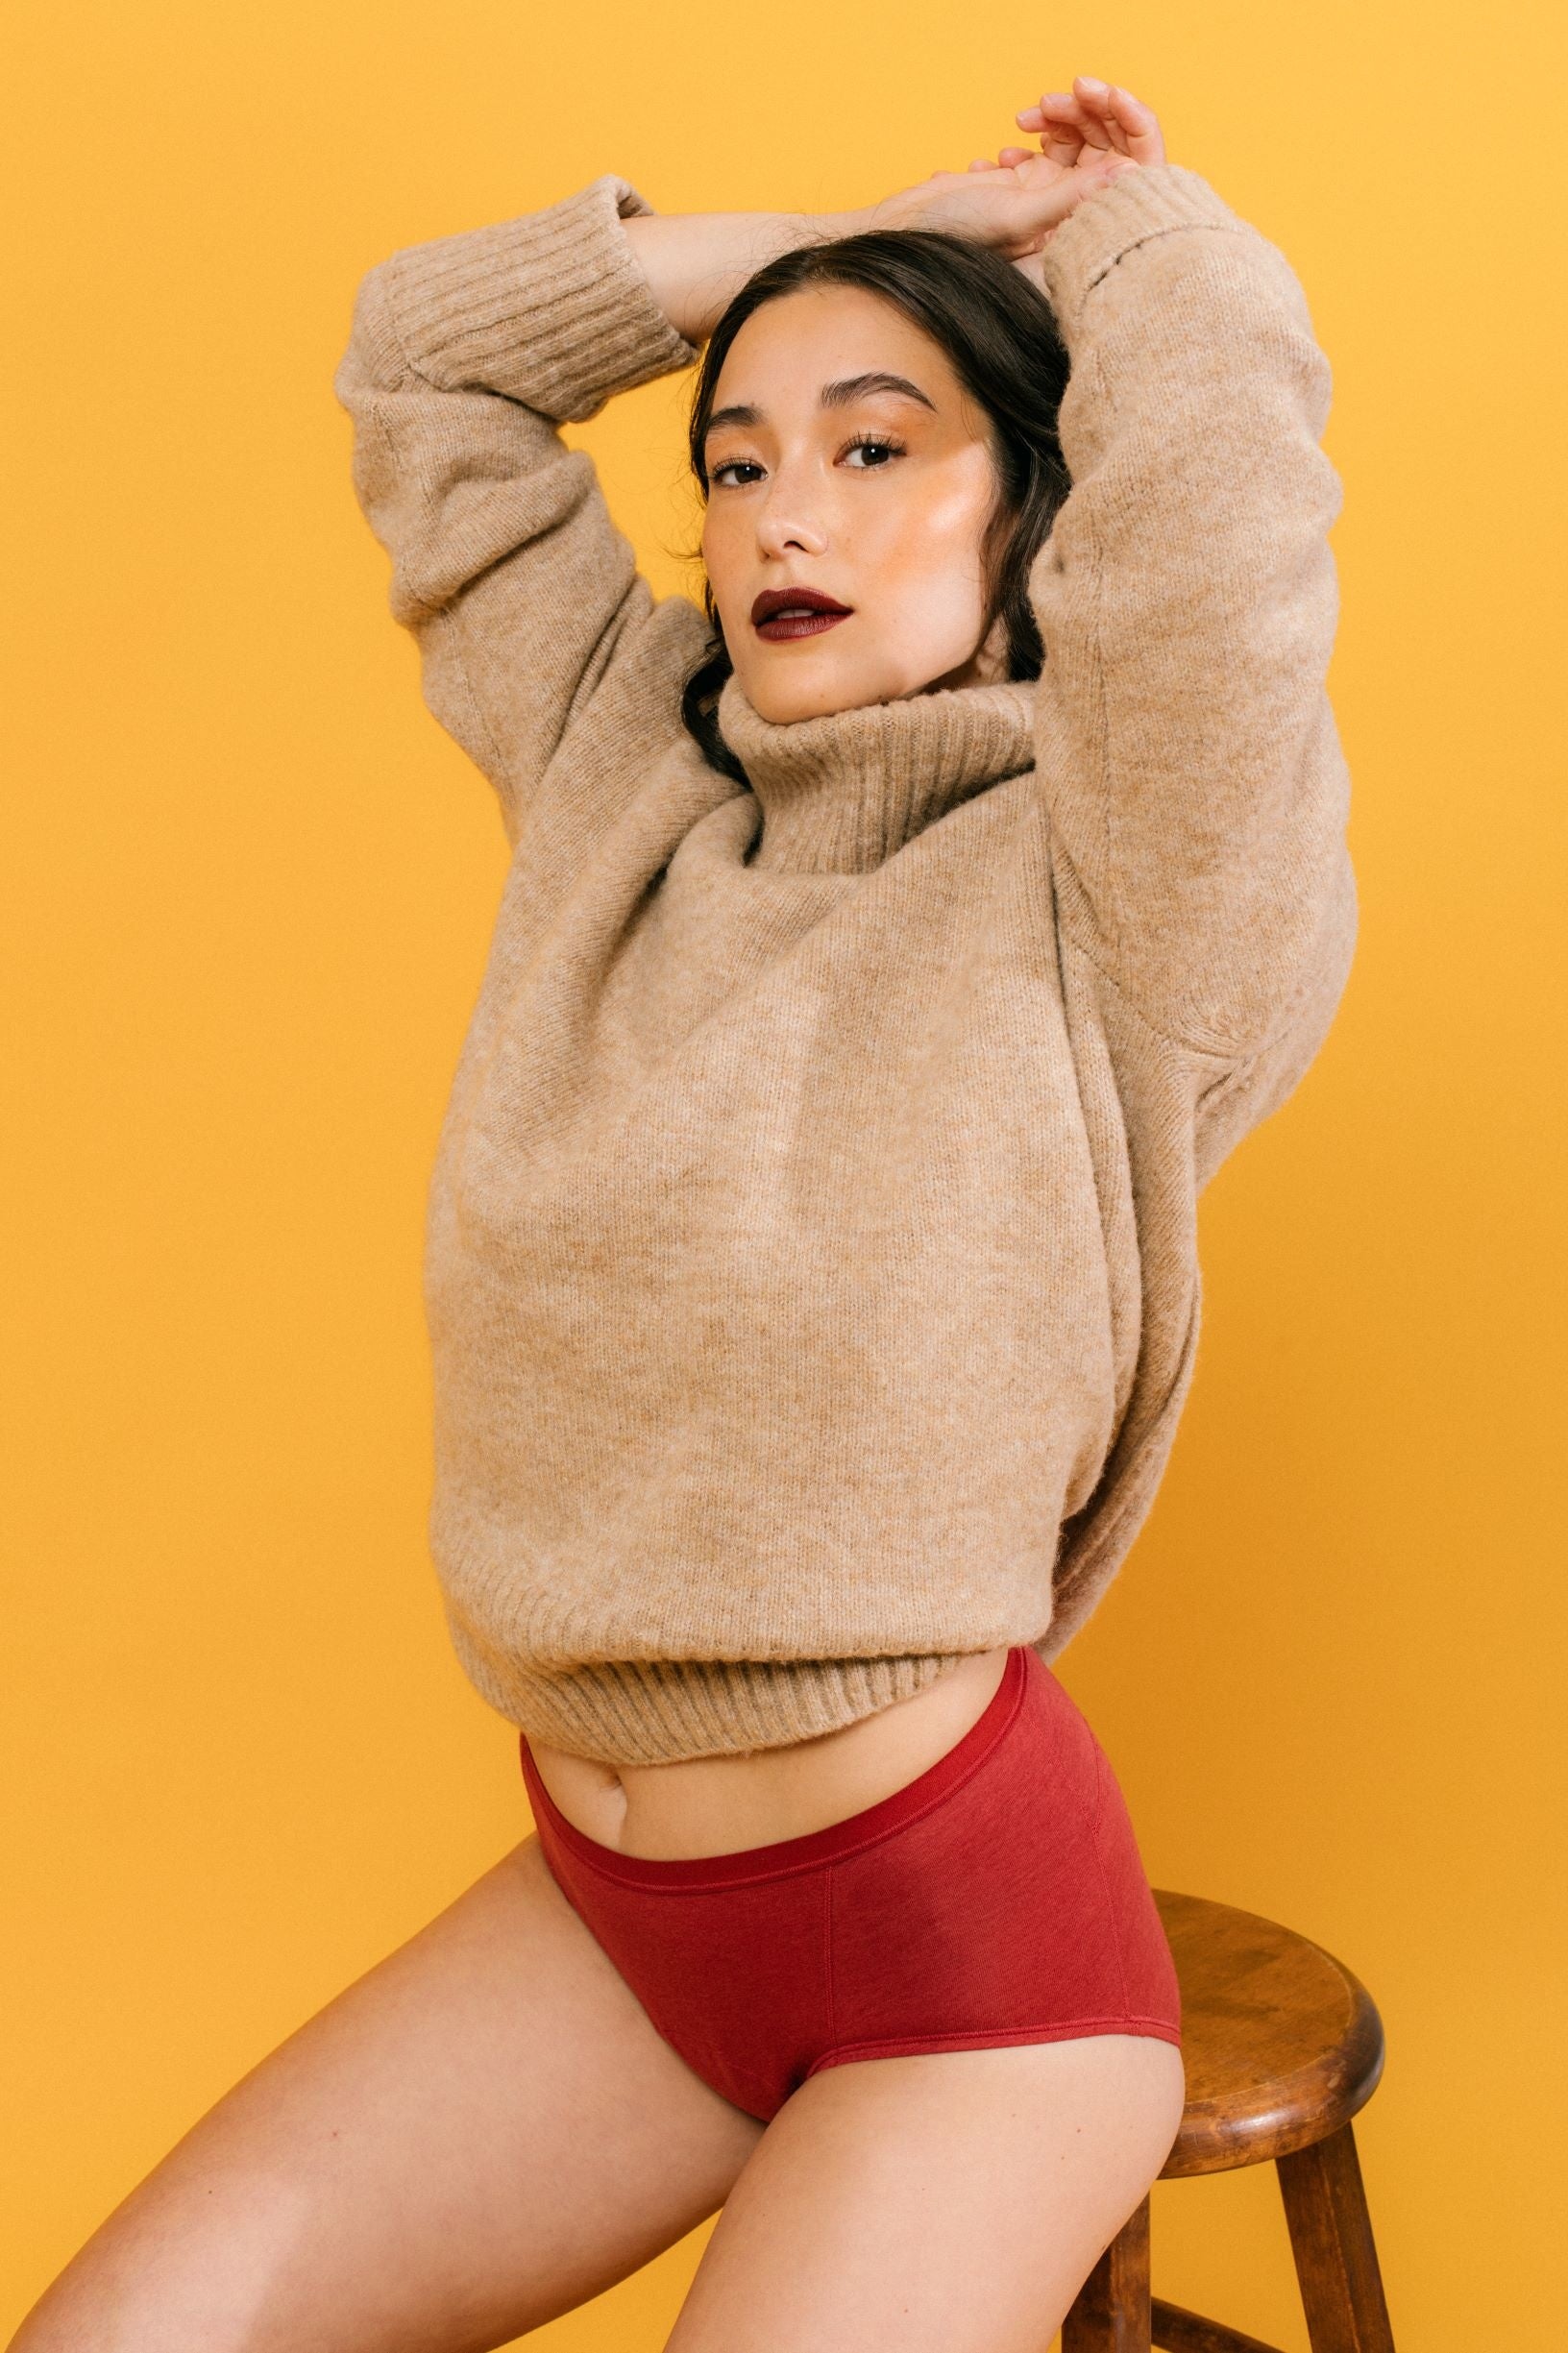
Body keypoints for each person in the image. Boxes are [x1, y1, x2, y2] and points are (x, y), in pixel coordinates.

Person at [11, 73, 1357, 2353]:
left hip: (965, 1982)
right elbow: (428, 355)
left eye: (875, 445)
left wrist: (1112, 225)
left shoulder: (1135, 877)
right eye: (734, 464)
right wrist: (860, 233)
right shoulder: (622, 765)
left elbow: (1223, 507)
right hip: (609, 1928)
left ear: (1041, 514)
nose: (779, 513)